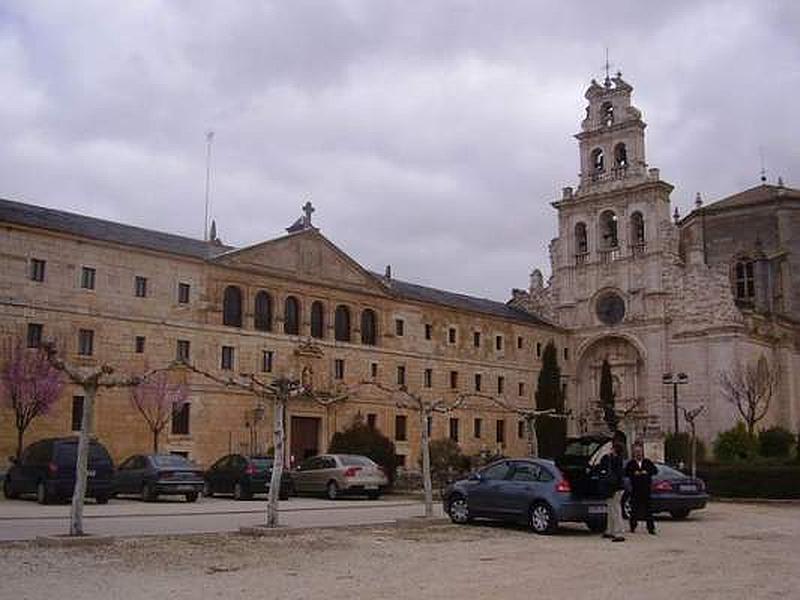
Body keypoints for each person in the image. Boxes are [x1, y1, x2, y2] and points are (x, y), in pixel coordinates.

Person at [625, 441, 658, 534]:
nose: (638, 453)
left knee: (648, 510)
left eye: (639, 452)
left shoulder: (647, 462)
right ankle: (632, 526)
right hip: (635, 489)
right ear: (634, 453)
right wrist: (634, 473)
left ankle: (651, 528)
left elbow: (655, 471)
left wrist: (646, 472)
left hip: (646, 489)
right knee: (634, 509)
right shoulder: (631, 463)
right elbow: (627, 472)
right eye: (636, 452)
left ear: (642, 452)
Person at [599, 431, 626, 542]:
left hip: (616, 488)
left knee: (615, 510)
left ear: (615, 450)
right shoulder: (612, 459)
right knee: (611, 509)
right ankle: (610, 530)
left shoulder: (617, 461)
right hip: (614, 488)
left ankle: (619, 532)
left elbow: (618, 476)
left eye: (612, 448)